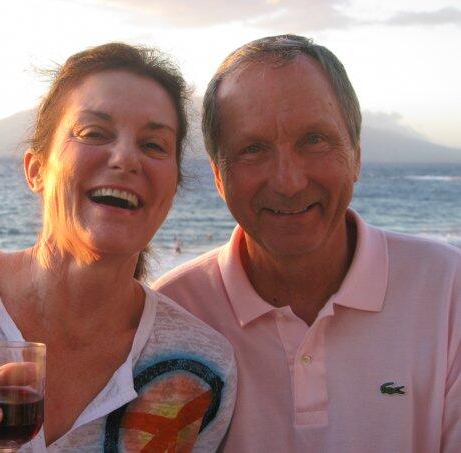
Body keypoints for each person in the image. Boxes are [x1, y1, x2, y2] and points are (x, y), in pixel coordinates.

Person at [0, 43, 236, 452]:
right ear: (36, 170)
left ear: (173, 187)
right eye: (94, 133)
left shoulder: (202, 364)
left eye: (154, 145)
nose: (126, 158)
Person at [154, 35, 461, 452]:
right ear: (219, 176)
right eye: (252, 149)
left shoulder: (447, 290)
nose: (289, 182)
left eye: (314, 140)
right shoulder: (173, 315)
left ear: (355, 154)